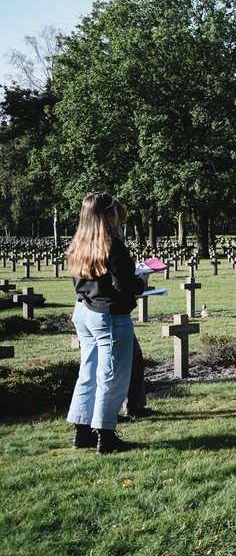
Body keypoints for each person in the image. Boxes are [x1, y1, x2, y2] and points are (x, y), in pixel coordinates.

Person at [66, 191, 147, 454]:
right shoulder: (112, 245)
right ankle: (106, 436)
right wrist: (141, 282)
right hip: (108, 315)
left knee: (87, 374)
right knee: (112, 376)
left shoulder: (78, 242)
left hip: (83, 310)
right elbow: (124, 285)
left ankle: (82, 432)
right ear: (109, 215)